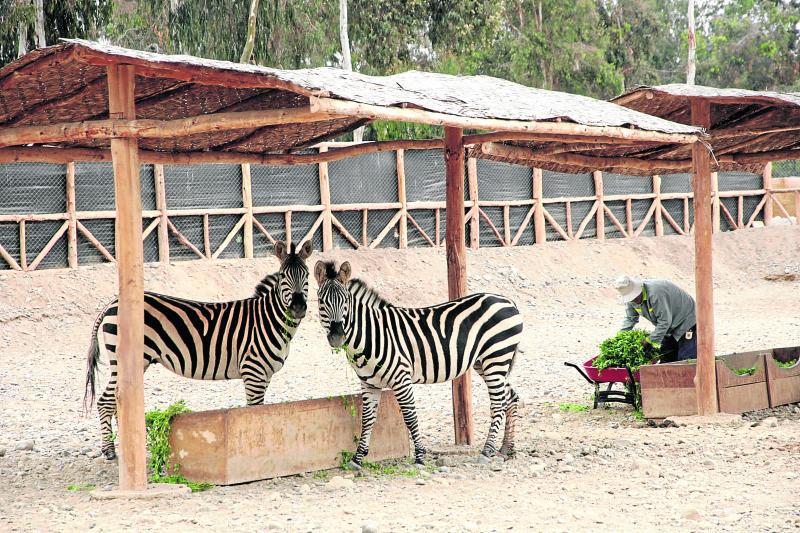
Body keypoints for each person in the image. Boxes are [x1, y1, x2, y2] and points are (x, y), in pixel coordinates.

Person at [614, 276, 697, 363]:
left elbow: (664, 322)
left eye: (635, 297)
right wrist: (619, 339)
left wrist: (649, 340)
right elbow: (630, 319)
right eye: (632, 299)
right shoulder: (631, 301)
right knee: (667, 357)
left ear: (639, 290)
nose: (635, 300)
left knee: (686, 360)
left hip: (686, 319)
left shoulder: (656, 294)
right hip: (670, 327)